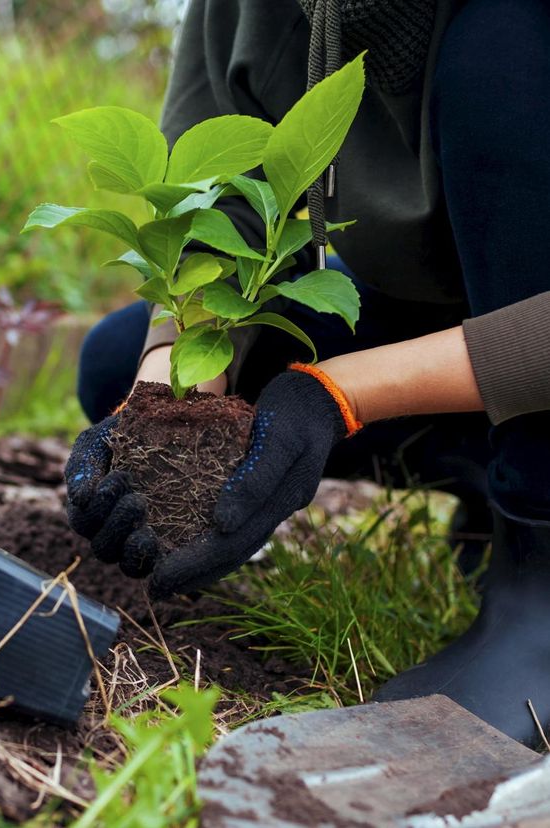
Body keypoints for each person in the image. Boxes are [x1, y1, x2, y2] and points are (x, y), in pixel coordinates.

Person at [63, 0, 550, 748]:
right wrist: (166, 400)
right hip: (455, 326)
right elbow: (222, 209)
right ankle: (496, 480)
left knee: (502, 34)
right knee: (116, 363)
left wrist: (340, 395)